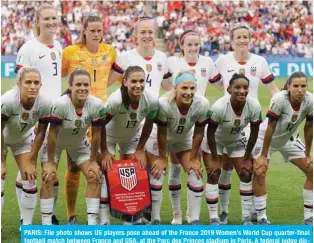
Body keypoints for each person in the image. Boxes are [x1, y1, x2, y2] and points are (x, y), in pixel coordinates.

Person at [107, 16, 171, 224]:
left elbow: (170, 86)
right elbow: (108, 82)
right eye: (142, 32)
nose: (146, 35)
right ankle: (130, 212)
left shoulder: (162, 57)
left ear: (154, 34)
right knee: (128, 166)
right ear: (135, 35)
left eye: (150, 32)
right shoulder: (126, 57)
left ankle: (149, 215)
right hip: (128, 118)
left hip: (151, 117)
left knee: (149, 166)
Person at [215, 23, 279, 224]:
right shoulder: (222, 61)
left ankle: (254, 212)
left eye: (245, 36)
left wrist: (281, 104)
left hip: (253, 123)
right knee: (225, 167)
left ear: (250, 39)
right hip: (227, 121)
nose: (242, 40)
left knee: (252, 167)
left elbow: (273, 89)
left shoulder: (259, 61)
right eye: (238, 37)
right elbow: (215, 83)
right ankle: (223, 211)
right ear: (231, 40)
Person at [158, 29, 223, 225]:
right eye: (189, 44)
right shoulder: (172, 62)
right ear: (182, 45)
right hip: (173, 117)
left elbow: (221, 84)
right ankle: (177, 215)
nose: (193, 47)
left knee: (193, 169)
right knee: (174, 169)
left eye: (197, 44)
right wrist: (174, 94)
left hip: (195, 119)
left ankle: (191, 217)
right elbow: (163, 80)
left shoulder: (208, 63)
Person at [62, 12, 116, 224]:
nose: (95, 34)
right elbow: (62, 75)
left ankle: (98, 217)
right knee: (73, 166)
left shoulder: (109, 51)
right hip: (77, 114)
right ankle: (71, 214)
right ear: (84, 31)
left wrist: (101, 90)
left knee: (101, 164)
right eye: (91, 30)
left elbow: (116, 74)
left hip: (101, 115)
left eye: (99, 30)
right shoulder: (70, 52)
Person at [15, 3, 62, 225]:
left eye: (54, 18)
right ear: (38, 22)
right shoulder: (28, 49)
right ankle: (30, 221)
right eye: (47, 19)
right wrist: (31, 116)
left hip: (55, 119)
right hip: (36, 119)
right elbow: (21, 86)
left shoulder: (59, 45)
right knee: (33, 169)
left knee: (48, 168)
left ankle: (47, 214)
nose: (52, 22)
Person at [42, 68, 105, 225]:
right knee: (49, 176)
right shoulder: (60, 104)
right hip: (54, 144)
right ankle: (47, 223)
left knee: (94, 175)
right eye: (78, 84)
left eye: (86, 84)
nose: (83, 88)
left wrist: (92, 161)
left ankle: (92, 223)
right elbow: (52, 135)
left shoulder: (96, 104)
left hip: (78, 143)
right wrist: (50, 162)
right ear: (70, 86)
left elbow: (97, 134)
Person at [147, 71, 211, 224]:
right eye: (184, 88)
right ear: (175, 88)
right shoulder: (163, 104)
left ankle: (193, 219)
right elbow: (162, 134)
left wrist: (195, 158)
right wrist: (162, 158)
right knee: (157, 174)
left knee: (195, 173)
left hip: (183, 139)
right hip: (158, 138)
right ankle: (155, 219)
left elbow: (199, 132)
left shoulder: (202, 104)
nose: (188, 92)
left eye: (192, 88)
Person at [100, 66, 159, 225]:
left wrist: (140, 149)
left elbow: (149, 123)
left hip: (131, 136)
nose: (138, 85)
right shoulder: (115, 100)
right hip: (109, 137)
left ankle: (131, 218)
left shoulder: (151, 100)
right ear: (125, 82)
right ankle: (104, 221)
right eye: (134, 81)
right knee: (107, 174)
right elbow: (100, 125)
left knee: (135, 172)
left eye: (141, 81)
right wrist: (105, 151)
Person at [252, 72, 312, 225]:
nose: (300, 89)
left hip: (289, 139)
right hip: (265, 138)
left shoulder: (310, 100)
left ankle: (309, 217)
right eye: (296, 86)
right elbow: (270, 127)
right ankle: (261, 218)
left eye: (303, 86)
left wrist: (308, 154)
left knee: (311, 170)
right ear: (288, 87)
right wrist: (264, 156)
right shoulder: (279, 99)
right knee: (259, 172)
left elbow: (309, 128)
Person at [202, 73, 262, 225]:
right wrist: (215, 159)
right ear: (229, 89)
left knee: (246, 172)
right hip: (215, 141)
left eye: (245, 87)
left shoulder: (254, 106)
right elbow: (210, 132)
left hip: (236, 139)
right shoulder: (219, 107)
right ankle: (216, 217)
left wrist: (247, 158)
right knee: (214, 173)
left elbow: (254, 133)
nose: (242, 91)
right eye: (237, 87)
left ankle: (246, 218)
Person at [1, 67, 51, 227]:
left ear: (41, 85)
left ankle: (27, 226)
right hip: (1, 139)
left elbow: (41, 132)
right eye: (28, 82)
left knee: (30, 178)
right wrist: (2, 162)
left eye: (36, 83)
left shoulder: (44, 103)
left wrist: (31, 160)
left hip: (22, 140)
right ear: (19, 84)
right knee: (0, 179)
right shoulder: (8, 101)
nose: (32, 86)